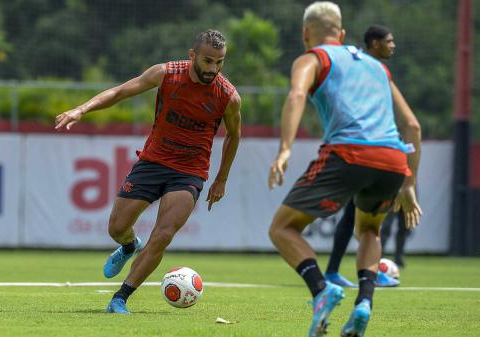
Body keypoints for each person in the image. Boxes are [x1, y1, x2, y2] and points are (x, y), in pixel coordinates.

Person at [54, 29, 241, 314]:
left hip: (189, 172)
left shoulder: (228, 96)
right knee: (116, 228)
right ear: (192, 55)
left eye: (219, 62)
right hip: (153, 162)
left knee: (164, 233)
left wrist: (221, 179)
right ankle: (129, 246)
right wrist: (82, 109)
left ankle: (120, 298)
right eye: (207, 61)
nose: (213, 69)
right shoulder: (166, 74)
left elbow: (234, 135)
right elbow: (119, 92)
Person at [267, 3, 422, 337]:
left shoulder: (312, 58)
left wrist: (284, 149)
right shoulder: (377, 67)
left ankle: (321, 290)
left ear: (306, 34)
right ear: (343, 33)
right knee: (369, 231)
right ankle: (364, 304)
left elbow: (295, 95)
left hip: (348, 154)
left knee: (282, 228)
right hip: (393, 161)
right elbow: (412, 125)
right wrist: (409, 185)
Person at [324, 25, 418, 288]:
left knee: (353, 212)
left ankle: (334, 271)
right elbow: (412, 125)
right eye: (389, 41)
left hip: (363, 147)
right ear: (374, 44)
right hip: (366, 148)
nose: (393, 45)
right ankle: (366, 274)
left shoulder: (372, 70)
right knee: (368, 218)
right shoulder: (368, 71)